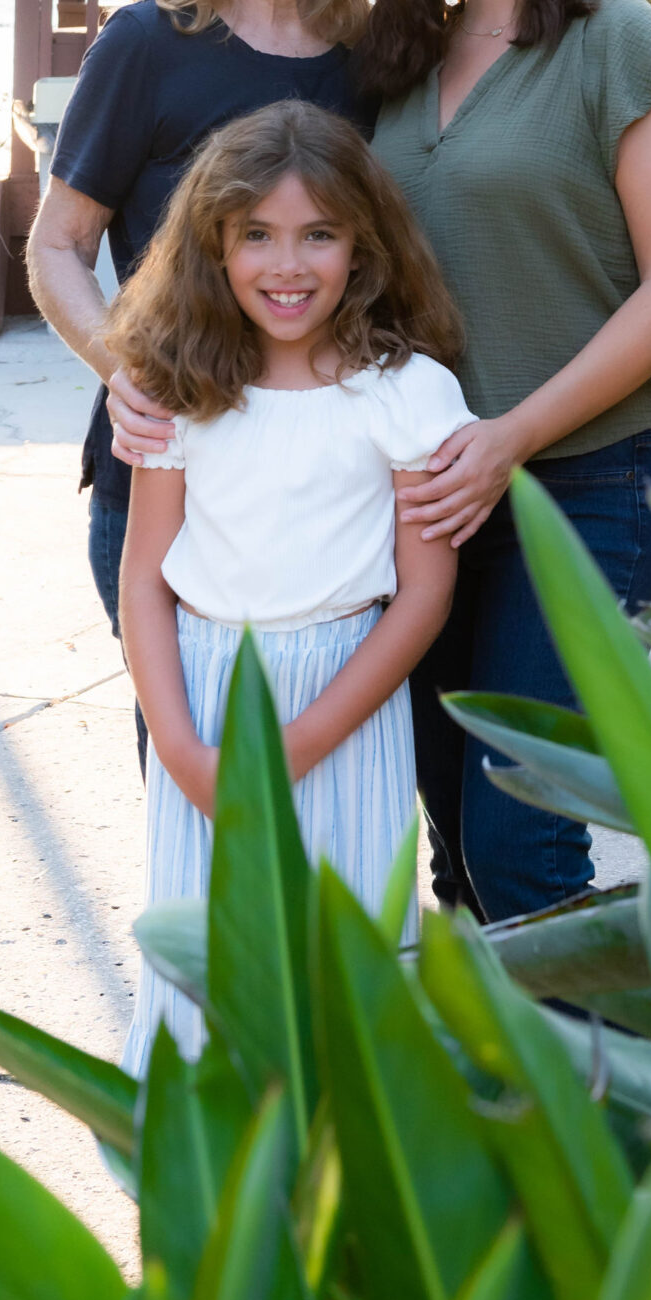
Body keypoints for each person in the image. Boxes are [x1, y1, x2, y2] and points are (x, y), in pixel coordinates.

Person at [356, 0, 651, 924]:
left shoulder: (617, 41)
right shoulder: (405, 53)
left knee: (521, 831)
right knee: (451, 833)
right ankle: (490, 1098)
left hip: (586, 484)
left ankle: (593, 1095)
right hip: (426, 495)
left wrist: (508, 434)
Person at [109, 100, 470, 1071]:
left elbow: (422, 596)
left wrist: (296, 744)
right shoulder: (177, 382)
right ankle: (207, 1186)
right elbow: (143, 578)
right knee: (209, 963)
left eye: (319, 235)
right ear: (212, 245)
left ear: (364, 244)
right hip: (206, 695)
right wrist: (183, 751)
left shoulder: (407, 392)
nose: (287, 264)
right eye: (256, 235)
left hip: (344, 704)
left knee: (339, 954)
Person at [25, 0, 373, 756]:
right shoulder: (144, 43)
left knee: (330, 776)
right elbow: (56, 246)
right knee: (199, 779)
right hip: (173, 473)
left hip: (327, 479)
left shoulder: (376, 51)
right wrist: (121, 368)